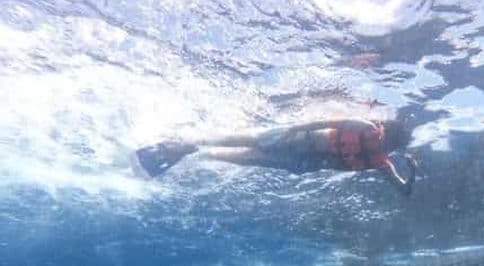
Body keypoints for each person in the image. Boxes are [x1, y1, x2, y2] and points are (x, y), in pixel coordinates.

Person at [135, 118, 417, 194]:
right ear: (385, 132)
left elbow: (403, 191)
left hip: (300, 164)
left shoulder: (382, 163)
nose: (385, 149)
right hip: (298, 140)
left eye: (390, 148)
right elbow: (322, 122)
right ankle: (183, 139)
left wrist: (411, 173)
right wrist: (287, 130)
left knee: (244, 158)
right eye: (388, 143)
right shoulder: (365, 127)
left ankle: (192, 151)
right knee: (241, 139)